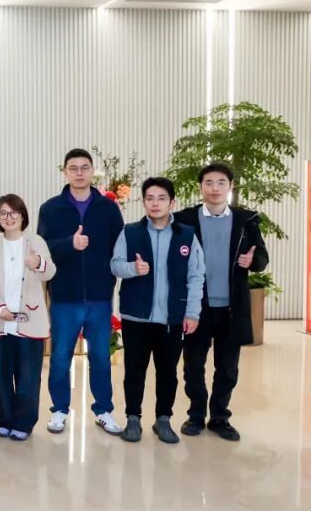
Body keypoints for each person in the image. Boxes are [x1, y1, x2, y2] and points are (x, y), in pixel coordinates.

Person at [174, 162, 269, 441]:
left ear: (230, 186)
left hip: (232, 307)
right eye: (209, 183)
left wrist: (253, 261)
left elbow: (262, 258)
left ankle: (219, 417)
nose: (215, 188)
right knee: (193, 366)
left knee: (227, 368)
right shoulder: (185, 219)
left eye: (221, 183)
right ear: (200, 187)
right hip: (196, 307)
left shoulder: (246, 220)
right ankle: (195, 415)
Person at [37, 148, 126, 436]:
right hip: (65, 297)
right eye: (73, 168)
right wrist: (69, 244)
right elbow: (42, 248)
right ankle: (60, 410)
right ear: (65, 172)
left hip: (99, 297)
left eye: (84, 167)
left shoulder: (108, 208)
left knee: (100, 357)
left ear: (92, 171)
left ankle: (103, 410)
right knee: (60, 358)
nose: (79, 173)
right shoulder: (51, 208)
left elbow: (120, 247)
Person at [112, 177, 204, 444]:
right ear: (143, 202)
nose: (155, 203)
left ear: (171, 202)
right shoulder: (130, 232)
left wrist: (192, 313)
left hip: (171, 318)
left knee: (167, 373)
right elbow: (115, 265)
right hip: (136, 316)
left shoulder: (187, 235)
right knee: (134, 371)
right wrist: (133, 268)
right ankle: (133, 418)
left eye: (161, 198)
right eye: (150, 198)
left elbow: (196, 276)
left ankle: (163, 419)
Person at [0, 194, 55, 441]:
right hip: (1, 322)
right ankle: (4, 419)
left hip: (29, 321)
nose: (9, 217)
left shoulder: (36, 241)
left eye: (13, 212)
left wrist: (38, 263)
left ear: (23, 215)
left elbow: (50, 272)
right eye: (3, 213)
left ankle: (23, 423)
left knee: (28, 377)